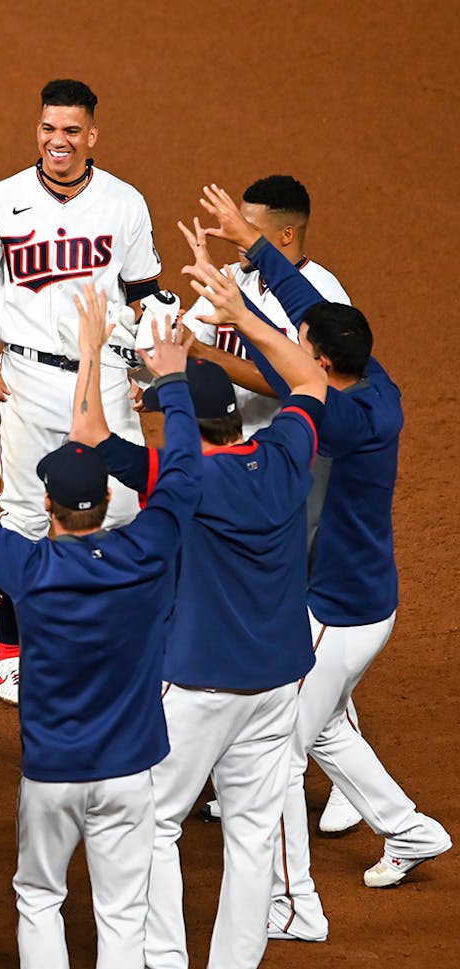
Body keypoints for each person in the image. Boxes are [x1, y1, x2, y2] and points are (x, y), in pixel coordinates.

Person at [192, 186, 450, 939]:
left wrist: (239, 317)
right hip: (354, 597)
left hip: (338, 612)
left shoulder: (342, 418)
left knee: (272, 754)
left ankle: (296, 905)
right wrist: (253, 245)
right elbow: (307, 313)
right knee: (326, 725)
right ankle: (408, 829)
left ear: (324, 363)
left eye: (306, 342)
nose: (297, 341)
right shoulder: (375, 382)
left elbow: (286, 368)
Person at [0, 293, 200, 967]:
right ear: (108, 500)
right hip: (132, 770)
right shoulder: (150, 545)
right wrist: (171, 381)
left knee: (40, 898)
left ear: (46, 503)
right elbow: (182, 471)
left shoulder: (27, 565)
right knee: (124, 912)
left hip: (52, 775)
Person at [83, 215, 327, 969]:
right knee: (253, 833)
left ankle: (160, 959)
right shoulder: (287, 451)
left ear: (186, 420)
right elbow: (308, 379)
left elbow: (90, 439)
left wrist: (98, 355)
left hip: (198, 685)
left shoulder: (188, 475)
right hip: (278, 681)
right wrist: (239, 308)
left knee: (152, 820)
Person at [0, 78, 172, 704]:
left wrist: (145, 370)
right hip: (22, 375)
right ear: (38, 130)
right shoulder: (0, 200)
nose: (59, 141)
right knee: (23, 512)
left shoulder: (124, 204)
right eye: (50, 128)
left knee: (125, 507)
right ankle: (13, 643)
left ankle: (118, 632)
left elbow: (143, 293)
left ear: (91, 135)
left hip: (100, 372)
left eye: (72, 130)